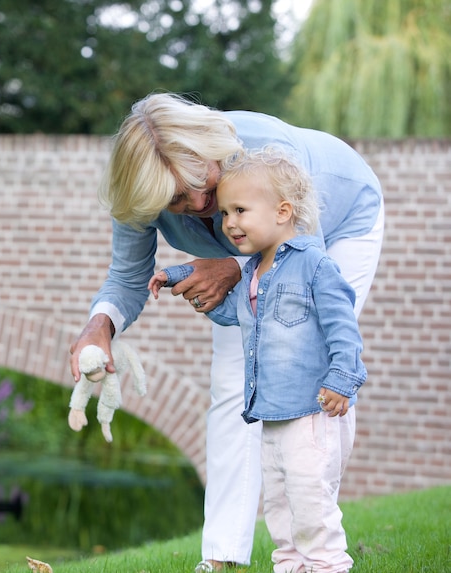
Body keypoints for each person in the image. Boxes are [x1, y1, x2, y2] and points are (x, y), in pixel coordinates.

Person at [69, 92, 384, 572]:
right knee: (230, 385)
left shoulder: (265, 152)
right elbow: (128, 277)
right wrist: (99, 327)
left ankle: (318, 547)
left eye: (203, 186)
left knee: (306, 359)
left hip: (337, 226)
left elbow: (302, 267)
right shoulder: (139, 191)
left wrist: (235, 268)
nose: (198, 205)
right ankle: (221, 558)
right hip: (257, 255)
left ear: (213, 154)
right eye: (176, 201)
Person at [149, 147, 367, 573]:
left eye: (240, 210)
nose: (229, 223)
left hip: (310, 412)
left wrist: (343, 378)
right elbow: (234, 315)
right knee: (281, 505)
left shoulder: (315, 266)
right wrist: (180, 278)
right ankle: (290, 566)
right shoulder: (253, 273)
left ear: (283, 211)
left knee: (310, 502)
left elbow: (344, 329)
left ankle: (327, 566)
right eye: (226, 212)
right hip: (272, 416)